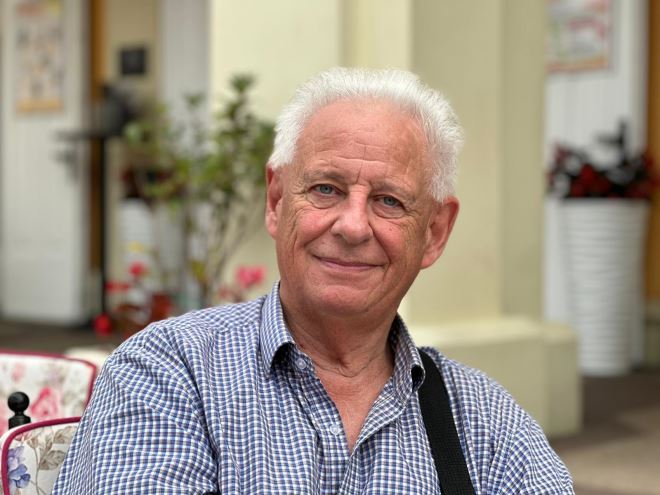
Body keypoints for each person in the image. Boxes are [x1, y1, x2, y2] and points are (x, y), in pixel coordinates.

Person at [53, 68, 573, 494]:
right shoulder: (169, 374)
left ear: (434, 232)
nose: (352, 226)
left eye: (389, 200)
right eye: (326, 189)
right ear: (276, 201)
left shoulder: (485, 425)